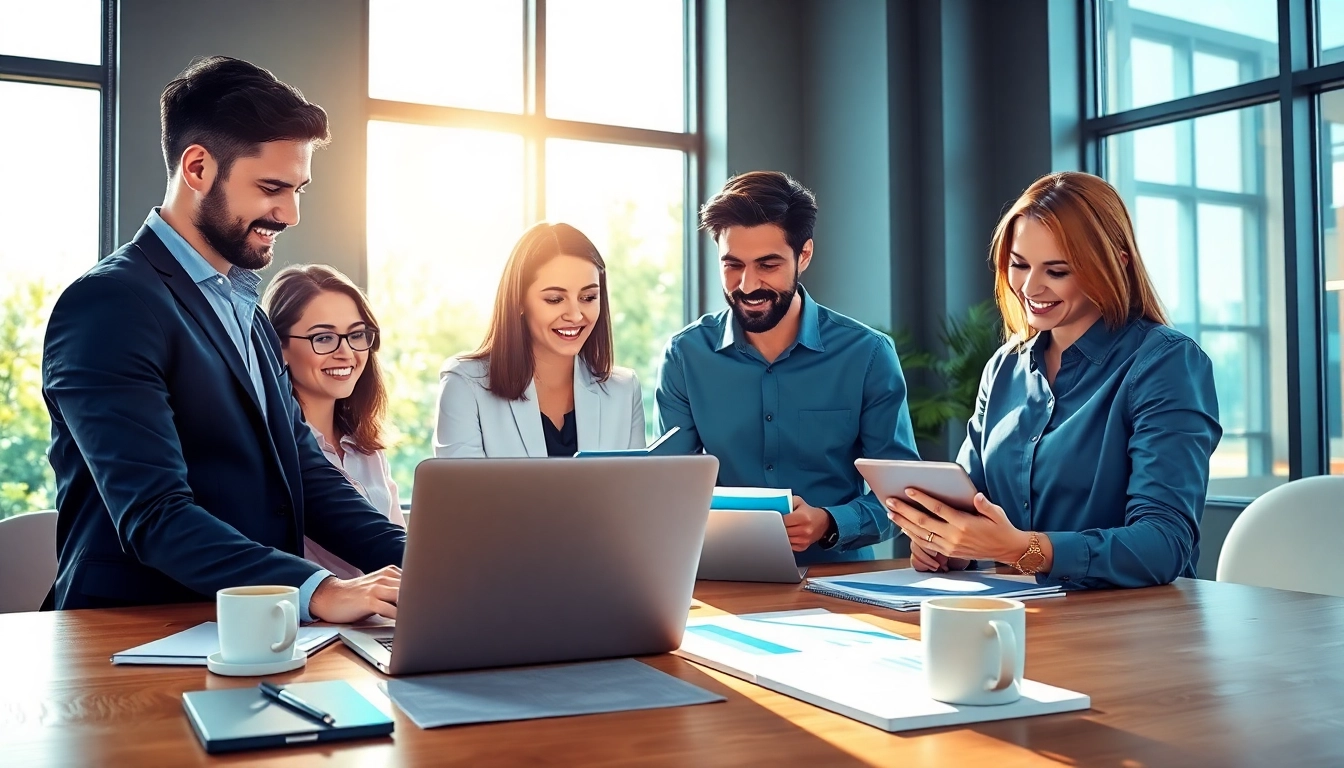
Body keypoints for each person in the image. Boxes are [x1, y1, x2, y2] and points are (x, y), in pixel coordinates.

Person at [41, 57, 403, 622]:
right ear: (197, 168)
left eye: (298, 188)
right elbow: (155, 514)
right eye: (271, 187)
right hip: (135, 632)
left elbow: (305, 474)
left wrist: (432, 566)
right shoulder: (107, 305)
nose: (290, 212)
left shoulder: (246, 311)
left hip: (258, 629)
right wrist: (319, 588)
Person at [885, 171, 1221, 589]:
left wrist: (1019, 550)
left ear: (1115, 262)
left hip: (1131, 627)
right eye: (1019, 264)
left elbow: (1164, 545)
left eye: (1057, 270)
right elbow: (973, 503)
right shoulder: (1004, 367)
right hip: (1020, 613)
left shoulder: (1165, 364)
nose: (1029, 287)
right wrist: (948, 546)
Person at [655, 171, 920, 565]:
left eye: (768, 265)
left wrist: (830, 522)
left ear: (804, 255)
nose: (747, 285)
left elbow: (903, 499)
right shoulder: (686, 356)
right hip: (724, 580)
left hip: (838, 585)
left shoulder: (867, 355)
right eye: (733, 265)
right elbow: (669, 489)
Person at [434, 222, 645, 457]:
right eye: (555, 299)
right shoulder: (465, 385)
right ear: (519, 301)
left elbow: (633, 491)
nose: (575, 315)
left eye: (588, 297)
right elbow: (462, 492)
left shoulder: (624, 390)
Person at [263, 265, 406, 579]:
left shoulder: (367, 449)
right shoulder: (273, 449)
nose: (346, 353)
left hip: (381, 620)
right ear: (279, 347)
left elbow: (399, 549)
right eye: (324, 338)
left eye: (356, 335)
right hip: (308, 623)